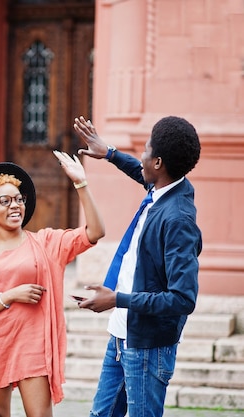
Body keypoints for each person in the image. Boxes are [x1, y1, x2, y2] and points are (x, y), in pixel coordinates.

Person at [0, 152, 106, 417]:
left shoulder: (46, 243)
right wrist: (10, 295)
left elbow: (95, 232)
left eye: (18, 199)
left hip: (33, 347)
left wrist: (81, 183)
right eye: (5, 200)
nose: (15, 205)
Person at [72, 115, 202, 417]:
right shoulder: (164, 188)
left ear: (158, 163)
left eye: (145, 150)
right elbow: (140, 172)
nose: (140, 156)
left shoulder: (178, 219)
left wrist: (117, 299)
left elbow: (183, 299)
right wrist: (110, 153)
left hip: (148, 347)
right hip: (122, 335)